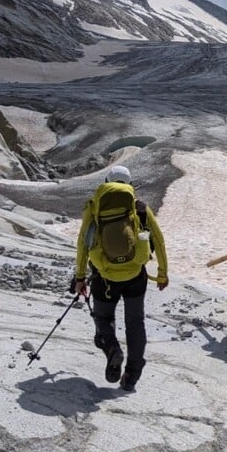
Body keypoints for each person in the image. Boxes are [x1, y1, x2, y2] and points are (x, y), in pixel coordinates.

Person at [74, 165, 169, 392]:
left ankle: (113, 349)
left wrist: (79, 277)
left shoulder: (94, 207)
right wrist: (163, 273)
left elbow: (83, 243)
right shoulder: (141, 209)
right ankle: (131, 376)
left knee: (103, 318)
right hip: (136, 274)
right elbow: (158, 239)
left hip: (104, 276)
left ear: (106, 182)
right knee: (135, 323)